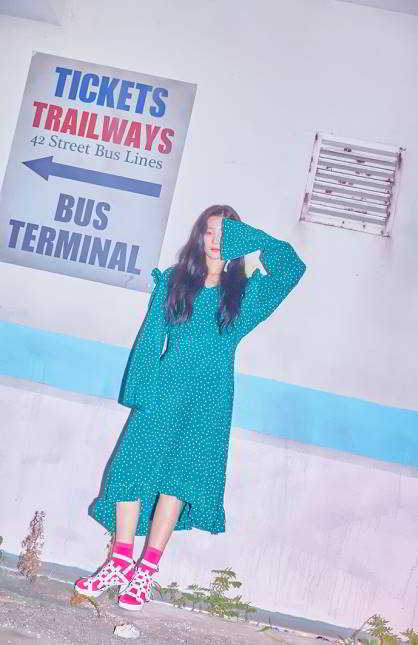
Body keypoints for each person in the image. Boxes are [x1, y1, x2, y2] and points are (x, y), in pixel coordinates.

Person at [74, 204, 306, 610]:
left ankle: (145, 573)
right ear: (198, 236)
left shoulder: (247, 295)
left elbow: (292, 268)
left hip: (210, 397)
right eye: (210, 232)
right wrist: (139, 392)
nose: (217, 241)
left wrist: (252, 240)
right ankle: (120, 560)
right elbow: (150, 339)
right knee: (130, 468)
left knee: (179, 480)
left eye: (227, 235)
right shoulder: (174, 282)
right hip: (165, 387)